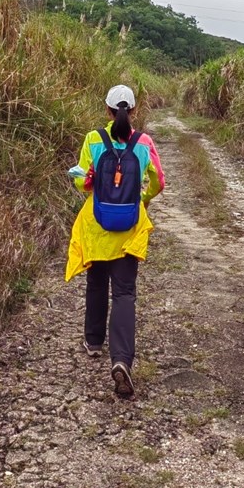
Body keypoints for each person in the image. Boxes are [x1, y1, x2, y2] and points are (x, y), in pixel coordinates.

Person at [65, 84, 165, 397]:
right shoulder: (144, 142)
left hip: (97, 224)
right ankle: (121, 359)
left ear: (107, 111)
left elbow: (82, 181)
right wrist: (142, 200)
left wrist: (88, 182)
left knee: (96, 281)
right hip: (129, 226)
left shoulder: (94, 139)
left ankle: (93, 341)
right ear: (133, 110)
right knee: (124, 292)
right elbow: (159, 182)